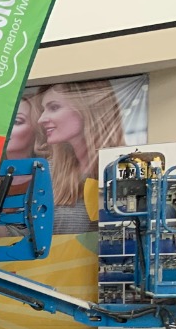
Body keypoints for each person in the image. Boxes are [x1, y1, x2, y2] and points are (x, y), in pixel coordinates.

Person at [37, 81, 124, 234]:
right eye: (43, 109)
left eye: (54, 107)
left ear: (87, 109)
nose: (41, 119)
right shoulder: (47, 171)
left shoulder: (126, 168)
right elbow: (29, 233)